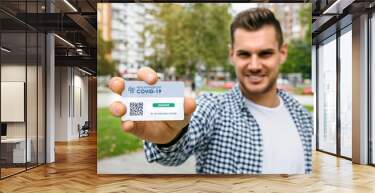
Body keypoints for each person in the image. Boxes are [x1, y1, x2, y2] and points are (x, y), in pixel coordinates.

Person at [109, 8, 313, 174]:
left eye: (265, 53)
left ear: (282, 53)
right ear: (232, 54)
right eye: (244, 54)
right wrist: (170, 137)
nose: (254, 65)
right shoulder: (213, 108)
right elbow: (177, 151)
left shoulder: (304, 118)